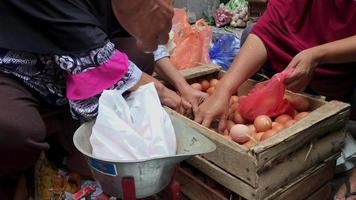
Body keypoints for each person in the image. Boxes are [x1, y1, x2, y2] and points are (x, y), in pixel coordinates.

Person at [0, 0, 199, 199]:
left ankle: (73, 142)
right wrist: (166, 94)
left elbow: (149, 36)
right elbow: (100, 60)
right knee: (16, 131)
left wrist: (183, 86)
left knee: (139, 56)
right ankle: (14, 176)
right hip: (17, 68)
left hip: (72, 56)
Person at [194, 0, 356, 199]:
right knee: (250, 32)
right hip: (295, 60)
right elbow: (269, 27)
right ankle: (287, 100)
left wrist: (317, 55)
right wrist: (224, 89)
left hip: (342, 63)